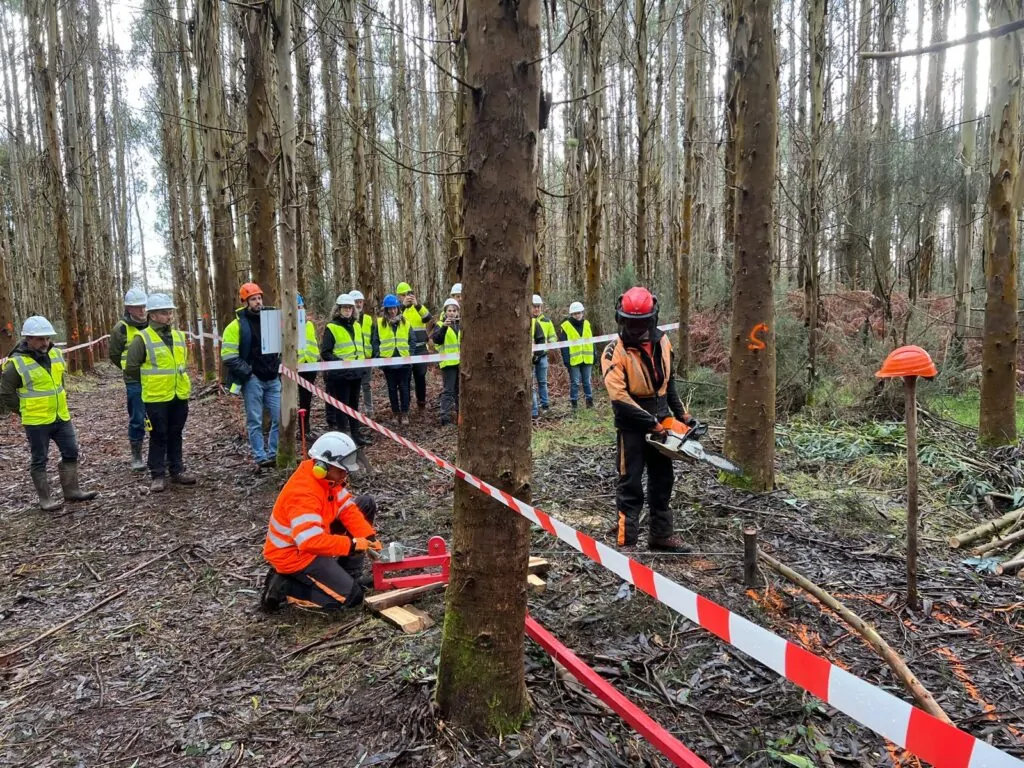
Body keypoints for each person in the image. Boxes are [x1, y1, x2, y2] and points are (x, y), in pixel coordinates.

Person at [601, 287, 689, 553]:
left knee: (663, 478)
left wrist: (682, 414)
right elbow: (619, 397)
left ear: (652, 318)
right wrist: (650, 422)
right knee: (630, 481)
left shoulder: (663, 341)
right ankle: (626, 542)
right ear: (621, 319)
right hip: (631, 422)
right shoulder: (613, 350)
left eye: (640, 322)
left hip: (660, 414)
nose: (635, 328)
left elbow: (669, 382)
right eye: (630, 322)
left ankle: (661, 535)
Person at [260, 431, 382, 612]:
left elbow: (347, 508)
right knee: (351, 598)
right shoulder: (303, 494)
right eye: (341, 470)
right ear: (322, 466)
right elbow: (310, 542)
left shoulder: (329, 481)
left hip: (313, 538)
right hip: (295, 556)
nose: (344, 475)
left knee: (365, 504)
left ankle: (349, 574)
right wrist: (353, 544)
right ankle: (284, 587)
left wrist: (368, 536)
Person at [1, 316, 99, 510]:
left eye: (47, 338)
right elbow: (5, 392)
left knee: (71, 451)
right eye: (40, 339)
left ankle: (72, 491)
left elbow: (58, 382)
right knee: (40, 459)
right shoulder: (16, 363)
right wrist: (23, 410)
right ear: (28, 339)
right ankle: (45, 499)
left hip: (61, 416)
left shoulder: (55, 355)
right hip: (36, 421)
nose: (45, 343)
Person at [124, 294, 196, 493]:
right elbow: (131, 367)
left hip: (178, 395)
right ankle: (157, 474)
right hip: (155, 397)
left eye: (170, 312)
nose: (169, 316)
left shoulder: (179, 336)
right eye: (164, 312)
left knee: (176, 433)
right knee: (158, 435)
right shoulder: (142, 338)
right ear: (153, 315)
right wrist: (150, 382)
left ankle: (177, 470)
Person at [221, 283, 282, 468]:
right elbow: (228, 356)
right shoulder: (236, 326)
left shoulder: (271, 320)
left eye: (259, 298)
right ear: (245, 302)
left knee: (279, 417)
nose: (258, 302)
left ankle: (273, 453)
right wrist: (248, 373)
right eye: (253, 299)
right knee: (254, 420)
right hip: (253, 380)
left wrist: (278, 365)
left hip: (272, 378)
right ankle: (260, 457)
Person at [109, 288, 150, 471]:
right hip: (134, 381)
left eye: (143, 306)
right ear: (128, 309)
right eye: (137, 307)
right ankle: (137, 456)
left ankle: (161, 453)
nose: (141, 311)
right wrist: (129, 369)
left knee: (159, 416)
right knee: (137, 418)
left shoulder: (153, 323)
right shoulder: (121, 328)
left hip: (156, 379)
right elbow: (115, 355)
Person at [321, 293, 366, 446]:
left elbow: (360, 348)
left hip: (356, 372)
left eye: (350, 308)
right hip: (340, 374)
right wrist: (340, 363)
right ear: (338, 309)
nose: (348, 310)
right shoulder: (332, 327)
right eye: (345, 308)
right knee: (342, 406)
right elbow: (325, 352)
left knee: (354, 405)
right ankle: (343, 438)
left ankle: (356, 434)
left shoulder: (357, 325)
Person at [371, 294, 413, 425]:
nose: (392, 311)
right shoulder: (380, 323)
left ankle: (405, 413)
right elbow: (375, 341)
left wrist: (409, 355)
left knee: (404, 388)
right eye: (389, 309)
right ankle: (395, 413)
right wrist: (378, 355)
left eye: (394, 308)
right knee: (392, 389)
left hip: (404, 362)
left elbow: (412, 340)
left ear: (398, 308)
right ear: (386, 310)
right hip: (387, 362)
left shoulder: (406, 322)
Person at [395, 282, 432, 411]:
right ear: (399, 296)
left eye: (409, 294)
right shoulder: (398, 309)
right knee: (405, 379)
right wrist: (402, 306)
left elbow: (428, 318)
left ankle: (421, 403)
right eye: (404, 295)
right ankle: (406, 406)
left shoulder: (418, 308)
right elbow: (393, 320)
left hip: (421, 349)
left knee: (420, 377)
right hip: (405, 350)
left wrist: (417, 304)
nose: (407, 297)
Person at [559, 301, 596, 411]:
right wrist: (566, 360)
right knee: (575, 382)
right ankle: (574, 404)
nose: (577, 315)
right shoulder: (565, 326)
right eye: (575, 313)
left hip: (587, 358)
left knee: (587, 381)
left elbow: (592, 341)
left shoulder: (587, 324)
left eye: (579, 313)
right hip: (573, 359)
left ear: (582, 313)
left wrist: (595, 354)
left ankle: (589, 402)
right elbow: (563, 346)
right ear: (571, 314)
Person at [432, 298, 461, 426]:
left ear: (458, 312)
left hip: (461, 362)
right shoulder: (440, 324)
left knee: (460, 390)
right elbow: (437, 340)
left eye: (454, 310)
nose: (451, 313)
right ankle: (445, 417)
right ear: (445, 311)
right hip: (448, 363)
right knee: (448, 390)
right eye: (449, 310)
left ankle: (461, 415)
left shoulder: (461, 324)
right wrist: (444, 327)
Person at [530, 294, 557, 421]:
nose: (536, 309)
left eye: (538, 306)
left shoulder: (547, 321)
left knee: (542, 382)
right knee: (531, 384)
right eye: (534, 306)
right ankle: (534, 409)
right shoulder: (525, 321)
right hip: (528, 357)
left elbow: (552, 336)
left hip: (542, 356)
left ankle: (545, 405)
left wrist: (551, 343)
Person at [297, 294, 319, 440]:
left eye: (300, 307)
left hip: (309, 366)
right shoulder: (283, 324)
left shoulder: (309, 324)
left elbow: (313, 343)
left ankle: (305, 429)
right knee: (291, 403)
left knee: (306, 401)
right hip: (293, 367)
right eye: (296, 307)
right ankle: (291, 429)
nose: (299, 310)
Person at [350, 289, 375, 416]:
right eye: (356, 302)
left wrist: (374, 354)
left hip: (366, 358)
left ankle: (369, 410)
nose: (358, 304)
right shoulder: (348, 320)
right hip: (352, 359)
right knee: (353, 386)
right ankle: (352, 411)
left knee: (366, 385)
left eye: (360, 302)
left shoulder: (368, 320)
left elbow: (374, 338)